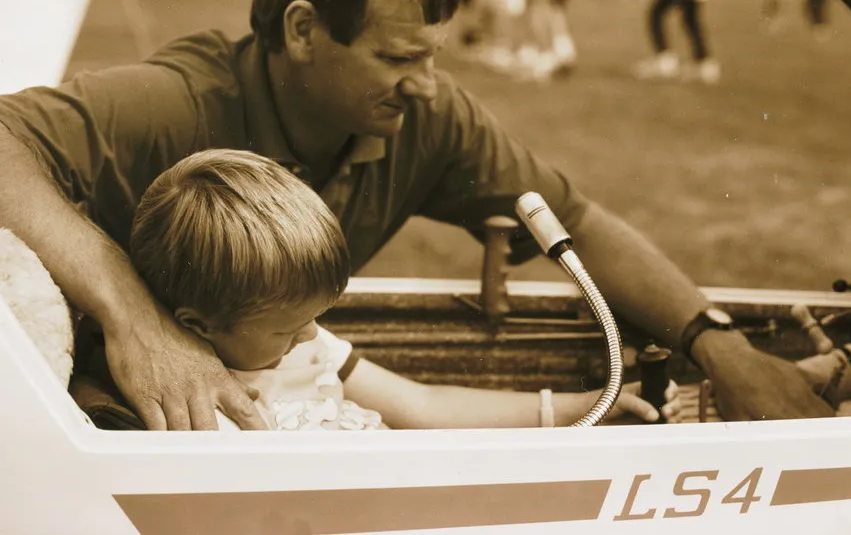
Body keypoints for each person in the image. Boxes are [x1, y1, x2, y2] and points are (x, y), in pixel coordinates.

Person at [0, 0, 833, 431]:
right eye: (398, 57)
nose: (428, 84)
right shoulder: (175, 102)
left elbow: (577, 220)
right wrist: (136, 321)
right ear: (302, 30)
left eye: (434, 53)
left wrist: (719, 346)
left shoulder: (428, 121)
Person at [128, 148, 681, 430]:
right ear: (199, 325)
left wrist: (582, 407)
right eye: (288, 327)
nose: (313, 333)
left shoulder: (307, 347)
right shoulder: (192, 403)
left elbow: (423, 404)